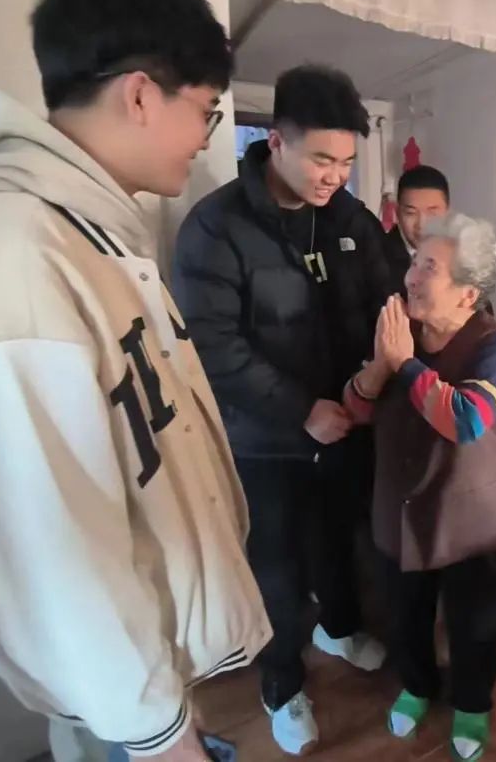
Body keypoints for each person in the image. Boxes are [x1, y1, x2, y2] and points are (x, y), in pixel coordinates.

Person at [0, 0, 271, 762]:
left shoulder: (91, 234)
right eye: (206, 110)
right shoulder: (0, 252)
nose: (204, 138)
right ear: (141, 95)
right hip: (127, 716)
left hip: (146, 686)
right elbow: (49, 550)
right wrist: (160, 736)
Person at [172, 64, 391, 755]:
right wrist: (302, 410)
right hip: (265, 439)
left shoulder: (351, 220)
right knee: (277, 568)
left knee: (339, 541)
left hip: (347, 426)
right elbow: (212, 346)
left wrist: (372, 386)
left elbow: (384, 306)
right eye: (322, 159)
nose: (335, 176)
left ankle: (338, 627)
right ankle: (281, 682)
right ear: (277, 141)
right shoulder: (216, 228)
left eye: (347, 162)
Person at [343, 213, 496, 762]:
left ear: (467, 294)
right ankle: (418, 685)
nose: (411, 277)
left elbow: (466, 419)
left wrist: (403, 364)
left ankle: (472, 704)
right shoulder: (399, 331)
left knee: (475, 621)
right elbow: (355, 409)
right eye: (414, 263)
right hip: (401, 504)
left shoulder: (495, 342)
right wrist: (380, 367)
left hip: (471, 516)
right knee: (405, 613)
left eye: (429, 268)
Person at [384, 164, 451, 290]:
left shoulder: (460, 255)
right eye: (411, 213)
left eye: (432, 213)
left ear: (447, 213)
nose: (421, 224)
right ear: (397, 213)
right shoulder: (375, 258)